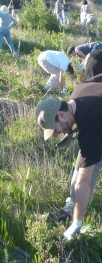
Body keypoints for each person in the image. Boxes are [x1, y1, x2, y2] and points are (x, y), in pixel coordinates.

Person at [35, 73, 102, 240]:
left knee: (85, 172)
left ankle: (75, 218)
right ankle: (70, 208)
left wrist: (77, 225)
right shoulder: (79, 91)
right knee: (81, 165)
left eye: (55, 128)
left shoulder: (91, 125)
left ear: (62, 114)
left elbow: (84, 181)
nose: (57, 134)